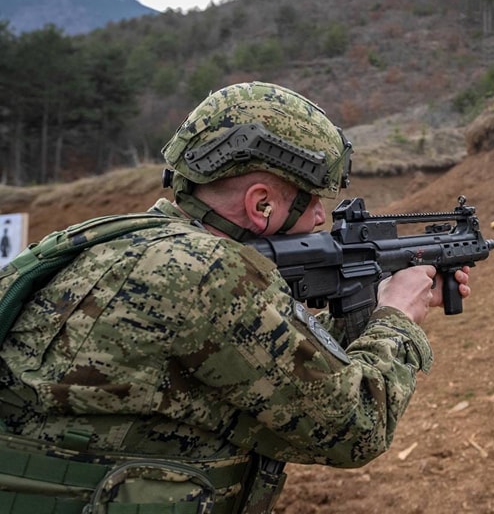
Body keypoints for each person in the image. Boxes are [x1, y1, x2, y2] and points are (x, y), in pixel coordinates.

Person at [0, 81, 470, 513]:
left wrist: (365, 309)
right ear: (260, 204)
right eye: (313, 199)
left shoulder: (119, 243)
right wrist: (396, 317)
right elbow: (354, 425)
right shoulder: (208, 274)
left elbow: (261, 367)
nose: (322, 218)